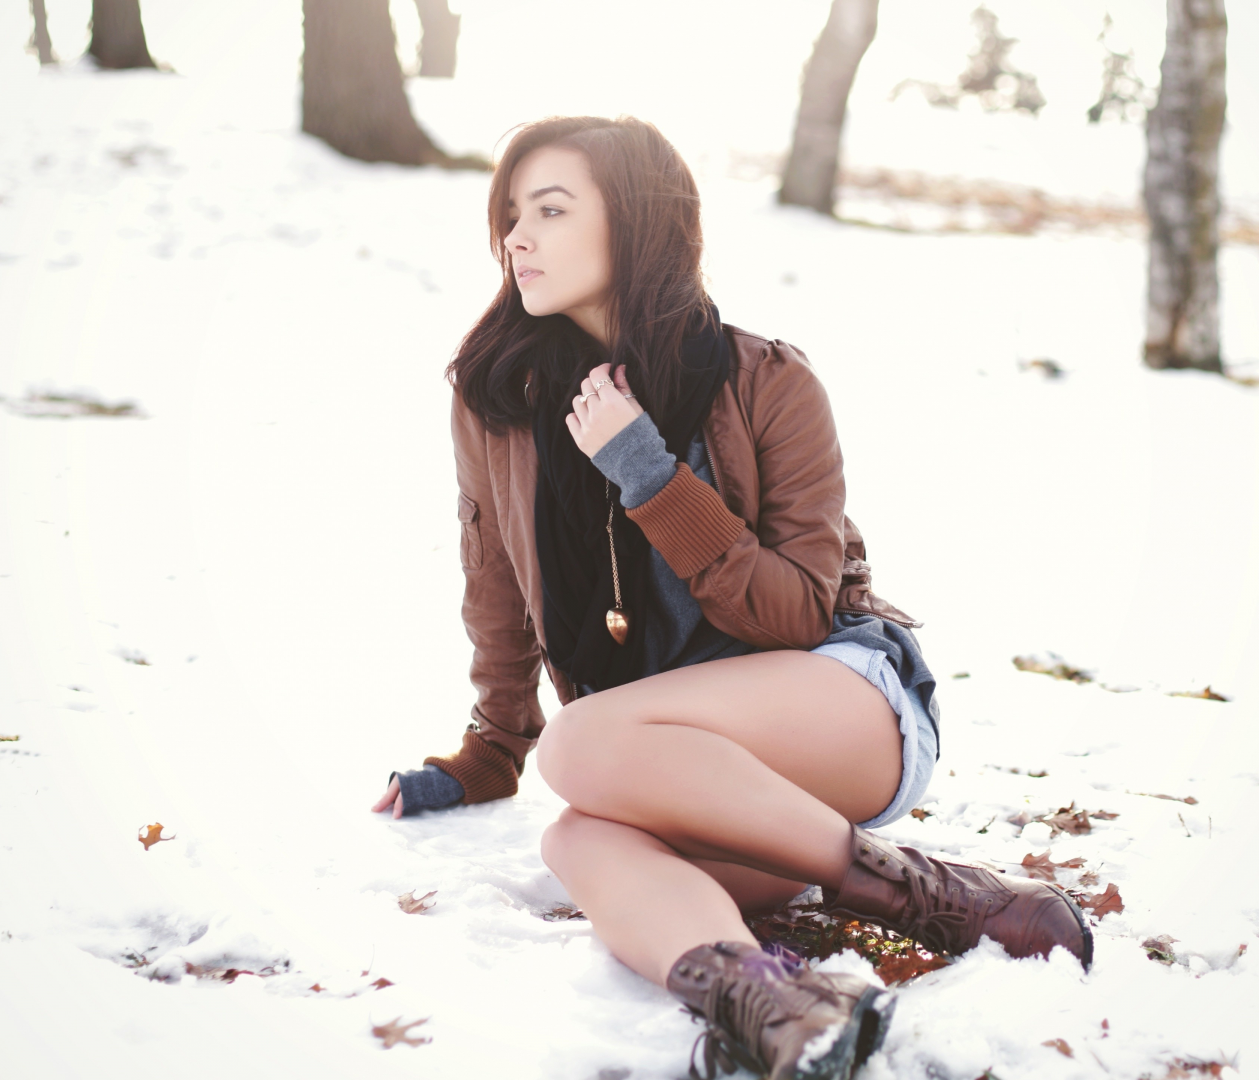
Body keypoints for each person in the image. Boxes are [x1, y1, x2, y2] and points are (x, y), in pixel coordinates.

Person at [371, 116, 1090, 1080]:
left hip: (840, 701)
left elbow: (797, 610)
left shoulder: (767, 382)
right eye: (510, 215)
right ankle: (773, 1005)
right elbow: (493, 583)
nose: (517, 238)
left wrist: (649, 476)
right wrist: (492, 748)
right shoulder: (498, 403)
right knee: (576, 835)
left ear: (637, 224)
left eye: (549, 210)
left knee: (580, 748)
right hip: (677, 767)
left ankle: (926, 892)